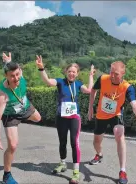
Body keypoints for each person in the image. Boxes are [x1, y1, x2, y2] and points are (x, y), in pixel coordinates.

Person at [36, 55, 95, 184]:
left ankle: (75, 171)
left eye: (74, 72)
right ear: (66, 72)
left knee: (74, 142)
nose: (71, 74)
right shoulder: (60, 82)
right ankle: (62, 163)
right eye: (69, 71)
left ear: (77, 74)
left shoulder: (78, 84)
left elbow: (89, 90)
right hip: (61, 117)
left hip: (74, 118)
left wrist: (91, 76)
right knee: (62, 142)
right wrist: (41, 69)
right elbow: (47, 81)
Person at [88, 61, 136, 184]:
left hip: (116, 114)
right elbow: (93, 91)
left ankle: (122, 171)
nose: (113, 76)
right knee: (96, 142)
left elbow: (134, 103)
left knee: (119, 135)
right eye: (111, 72)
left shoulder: (127, 87)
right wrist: (90, 108)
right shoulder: (103, 79)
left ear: (123, 74)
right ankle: (99, 154)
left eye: (116, 74)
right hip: (101, 115)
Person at [0, 52, 41, 184]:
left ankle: (22, 119)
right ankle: (7, 176)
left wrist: (8, 61)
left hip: (25, 107)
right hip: (10, 115)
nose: (16, 78)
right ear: (6, 76)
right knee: (12, 145)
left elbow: (14, 69)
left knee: (38, 118)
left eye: (18, 74)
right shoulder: (3, 94)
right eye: (12, 76)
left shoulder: (19, 75)